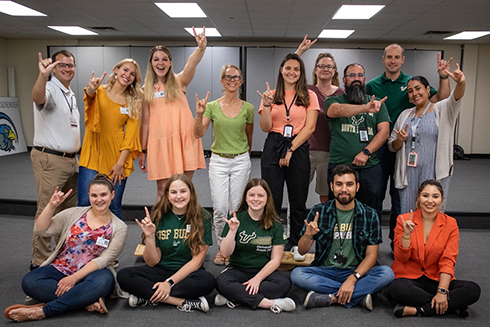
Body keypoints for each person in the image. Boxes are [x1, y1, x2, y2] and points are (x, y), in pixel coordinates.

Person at [5, 174, 128, 322]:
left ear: (112, 195)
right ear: (88, 196)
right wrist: (51, 206)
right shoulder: (74, 213)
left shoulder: (120, 228)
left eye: (103, 195)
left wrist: (74, 278)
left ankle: (44, 311)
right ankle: (85, 300)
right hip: (62, 268)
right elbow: (41, 230)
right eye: (94, 195)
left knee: (103, 282)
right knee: (30, 281)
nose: (99, 199)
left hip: (93, 274)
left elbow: (104, 260)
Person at [366, 43, 451, 248]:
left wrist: (444, 76)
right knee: (375, 197)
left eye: (397, 57)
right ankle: (373, 245)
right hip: (382, 145)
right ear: (384, 59)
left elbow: (442, 98)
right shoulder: (372, 85)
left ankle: (399, 244)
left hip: (407, 149)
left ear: (403, 60)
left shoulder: (412, 83)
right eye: (389, 57)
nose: (393, 60)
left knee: (400, 199)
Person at [290, 165, 394, 310]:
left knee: (387, 273)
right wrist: (308, 235)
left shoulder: (369, 215)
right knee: (297, 275)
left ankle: (331, 298)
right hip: (326, 271)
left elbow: (371, 256)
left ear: (357, 187)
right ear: (332, 187)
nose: (344, 189)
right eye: (339, 184)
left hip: (357, 270)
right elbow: (301, 251)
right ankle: (359, 295)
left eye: (349, 184)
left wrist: (352, 279)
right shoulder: (319, 211)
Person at [117, 174, 215, 313]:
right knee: (124, 275)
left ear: (191, 193)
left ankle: (147, 296)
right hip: (161, 270)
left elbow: (197, 261)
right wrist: (150, 237)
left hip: (188, 273)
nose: (178, 196)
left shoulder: (203, 217)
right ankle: (183, 302)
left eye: (183, 191)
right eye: (173, 192)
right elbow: (152, 262)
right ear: (167, 195)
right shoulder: (158, 215)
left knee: (208, 281)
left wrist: (169, 283)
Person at [257, 53, 319, 259]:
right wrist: (266, 106)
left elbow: (310, 127)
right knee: (272, 198)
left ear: (301, 73)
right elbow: (266, 127)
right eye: (288, 68)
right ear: (281, 71)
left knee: (298, 199)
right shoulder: (271, 94)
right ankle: (272, 242)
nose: (292, 72)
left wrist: (290, 150)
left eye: (296, 69)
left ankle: (295, 243)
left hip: (298, 146)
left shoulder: (309, 95)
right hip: (274, 144)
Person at [390, 180, 480, 318]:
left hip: (436, 278)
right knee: (397, 289)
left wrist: (442, 291)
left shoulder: (450, 223)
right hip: (409, 278)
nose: (430, 201)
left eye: (435, 196)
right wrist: (406, 235)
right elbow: (401, 258)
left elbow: (448, 260)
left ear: (442, 200)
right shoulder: (403, 219)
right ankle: (450, 307)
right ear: (419, 198)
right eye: (425, 196)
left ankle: (418, 310)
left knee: (473, 290)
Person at [194, 64, 254, 265]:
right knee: (220, 208)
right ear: (222, 80)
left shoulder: (248, 108)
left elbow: (249, 136)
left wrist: (242, 155)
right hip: (218, 160)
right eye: (228, 77)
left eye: (236, 77)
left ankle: (233, 247)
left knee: (236, 208)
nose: (232, 80)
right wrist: (199, 114)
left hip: (240, 161)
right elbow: (199, 133)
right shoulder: (211, 106)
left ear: (241, 81)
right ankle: (222, 249)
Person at [139, 27, 207, 204]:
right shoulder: (145, 90)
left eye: (164, 59)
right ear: (151, 63)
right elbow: (145, 122)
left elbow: (191, 64)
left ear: (170, 63)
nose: (160, 63)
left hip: (184, 141)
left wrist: (200, 49)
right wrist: (142, 149)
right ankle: (159, 229)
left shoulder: (179, 81)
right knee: (163, 190)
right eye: (156, 59)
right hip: (160, 143)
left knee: (184, 190)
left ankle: (185, 229)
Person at [388, 63, 465, 214]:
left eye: (418, 88)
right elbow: (392, 145)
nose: (414, 93)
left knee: (431, 214)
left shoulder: (442, 109)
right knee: (408, 214)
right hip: (407, 174)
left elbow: (457, 97)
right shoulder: (405, 115)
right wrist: (399, 140)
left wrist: (461, 82)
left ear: (428, 89)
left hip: (434, 172)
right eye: (410, 91)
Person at [30, 50, 81, 269]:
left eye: (70, 65)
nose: (67, 69)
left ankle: (61, 257)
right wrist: (42, 76)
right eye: (62, 65)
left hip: (71, 160)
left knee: (67, 212)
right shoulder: (50, 87)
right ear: (54, 68)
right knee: (47, 210)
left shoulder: (69, 93)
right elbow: (38, 97)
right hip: (50, 160)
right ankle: (40, 261)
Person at [215, 178, 295, 313]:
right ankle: (270, 303)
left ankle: (235, 297)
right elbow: (225, 252)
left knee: (284, 284)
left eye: (260, 195)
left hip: (264, 271)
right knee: (221, 282)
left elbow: (276, 260)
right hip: (238, 269)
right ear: (245, 198)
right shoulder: (236, 218)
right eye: (251, 195)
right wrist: (233, 230)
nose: (255, 199)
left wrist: (257, 279)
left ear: (267, 198)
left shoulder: (275, 224)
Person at [77, 58, 142, 219]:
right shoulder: (99, 91)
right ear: (116, 69)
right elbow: (89, 97)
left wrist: (120, 164)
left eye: (132, 74)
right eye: (125, 70)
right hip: (93, 153)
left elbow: (131, 136)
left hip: (117, 158)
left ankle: (112, 243)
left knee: (113, 205)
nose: (128, 75)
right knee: (85, 202)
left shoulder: (133, 102)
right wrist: (91, 89)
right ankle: (83, 243)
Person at [324, 63, 390, 211]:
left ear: (365, 79)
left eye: (360, 75)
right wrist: (365, 108)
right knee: (339, 209)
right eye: (352, 75)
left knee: (371, 209)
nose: (356, 79)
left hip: (369, 166)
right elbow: (338, 111)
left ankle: (369, 235)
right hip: (340, 165)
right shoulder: (333, 100)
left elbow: (384, 132)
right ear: (344, 79)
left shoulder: (377, 103)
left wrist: (366, 152)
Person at [295, 36, 344, 203]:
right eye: (321, 66)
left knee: (326, 195)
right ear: (315, 70)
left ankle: (324, 224)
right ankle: (296, 226)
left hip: (330, 152)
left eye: (329, 66)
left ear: (334, 71)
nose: (325, 69)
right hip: (306, 150)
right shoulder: (306, 90)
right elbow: (289, 75)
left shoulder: (342, 94)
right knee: (298, 191)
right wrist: (300, 52)